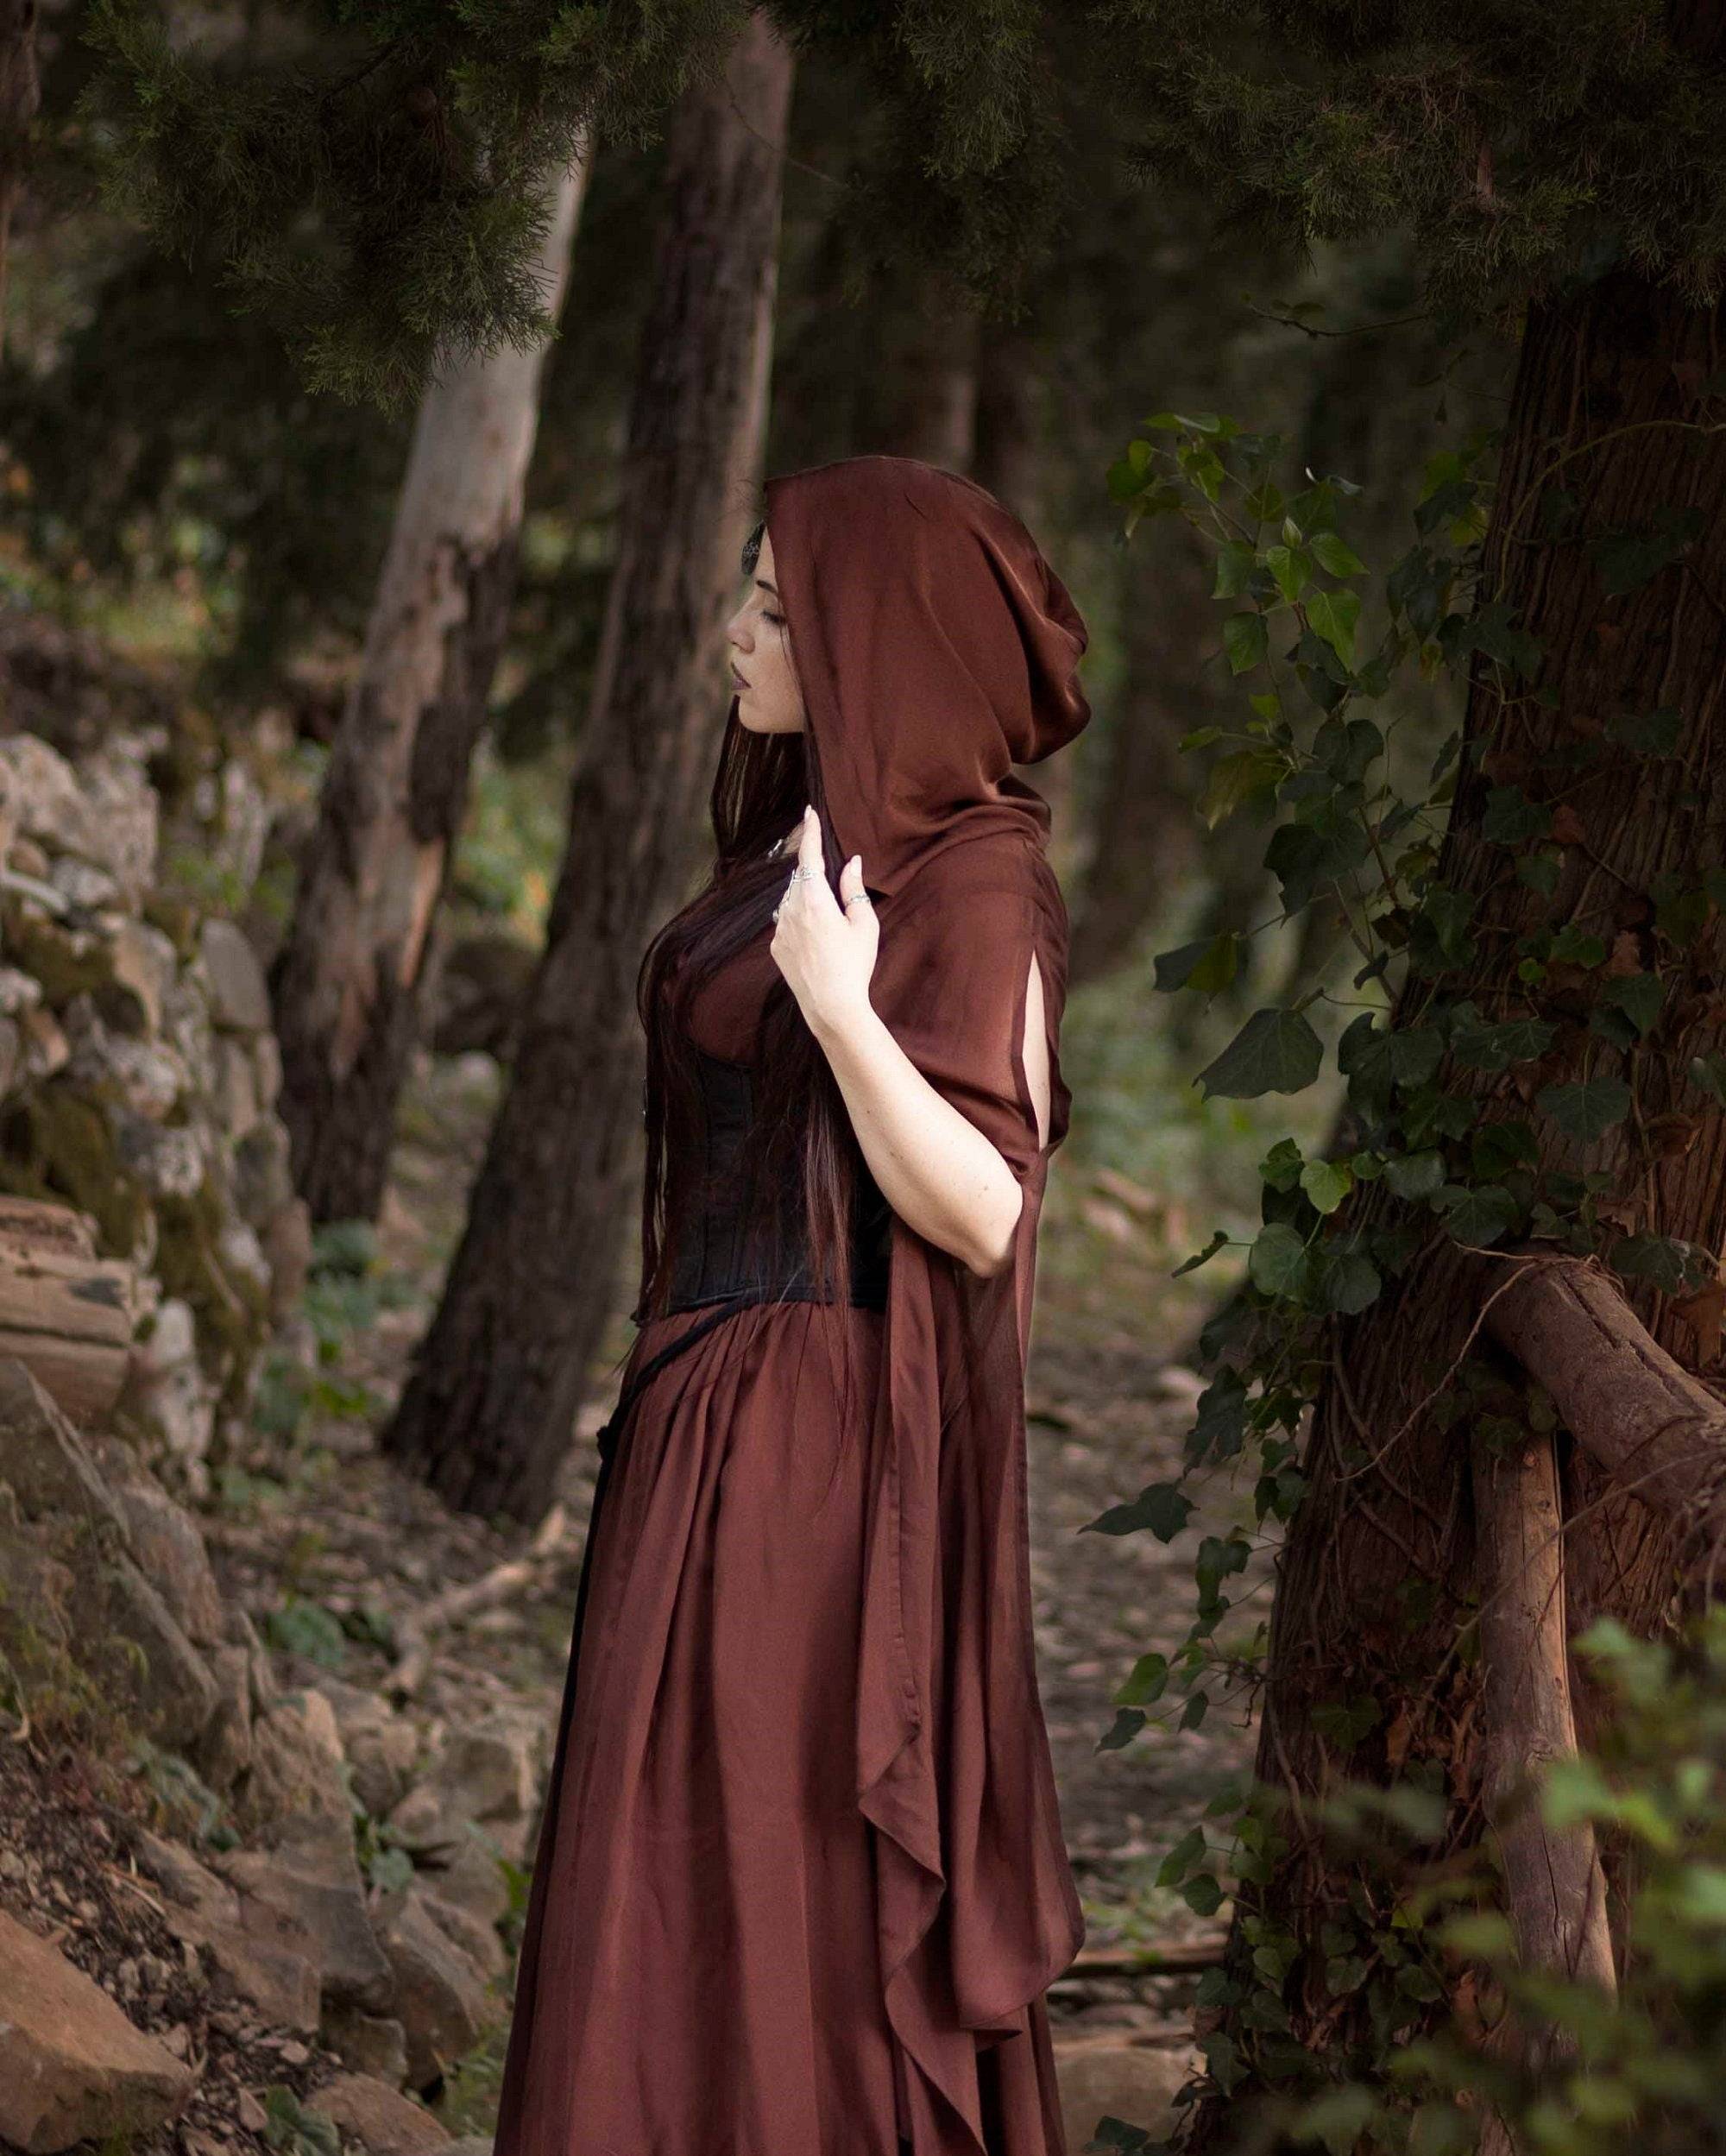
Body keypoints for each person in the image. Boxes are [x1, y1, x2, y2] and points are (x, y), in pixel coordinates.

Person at [491, 455, 1093, 2156]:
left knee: (774, 1898)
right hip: (710, 1425)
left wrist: (839, 1007)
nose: (739, 629)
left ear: (865, 631)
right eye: (755, 595)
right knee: (672, 1893)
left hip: (818, 1470)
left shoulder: (974, 882)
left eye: (773, 601)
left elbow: (980, 1206)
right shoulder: (809, 839)